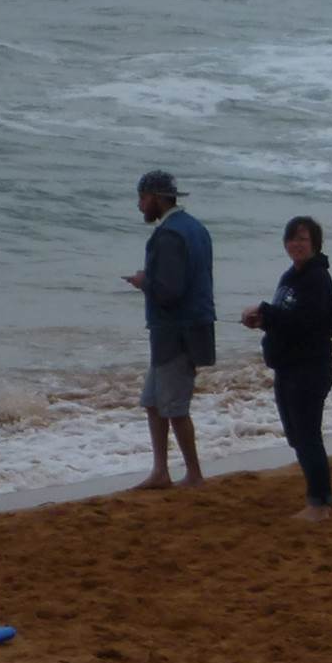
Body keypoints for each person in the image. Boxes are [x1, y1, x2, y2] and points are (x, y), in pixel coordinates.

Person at [242, 217, 332, 522]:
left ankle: (319, 503)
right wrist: (262, 320)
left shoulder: (317, 278)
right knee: (297, 436)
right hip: (287, 366)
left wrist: (265, 312)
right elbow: (286, 320)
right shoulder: (291, 276)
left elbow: (310, 324)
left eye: (303, 239)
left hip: (310, 367)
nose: (297, 244)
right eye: (292, 238)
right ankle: (320, 496)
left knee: (308, 436)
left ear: (315, 244)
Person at [125, 171, 214, 491]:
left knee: (175, 408)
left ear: (156, 198)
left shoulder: (169, 235)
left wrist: (143, 281)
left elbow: (170, 291)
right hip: (189, 327)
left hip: (176, 331)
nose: (140, 205)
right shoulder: (196, 228)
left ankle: (194, 475)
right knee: (153, 402)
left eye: (142, 198)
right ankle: (161, 471)